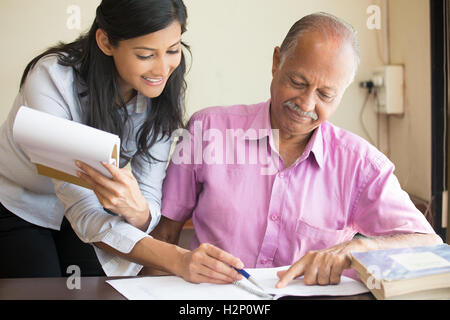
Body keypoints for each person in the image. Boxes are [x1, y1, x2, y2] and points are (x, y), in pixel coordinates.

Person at [152, 12, 443, 287]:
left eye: (325, 95)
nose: (305, 104)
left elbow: (429, 243)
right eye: (297, 82)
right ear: (277, 61)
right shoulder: (207, 130)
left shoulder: (360, 165)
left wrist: (358, 247)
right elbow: (164, 234)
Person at [0, 0, 244, 284]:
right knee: (40, 287)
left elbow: (148, 195)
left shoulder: (163, 88)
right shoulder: (52, 77)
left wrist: (138, 211)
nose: (163, 69)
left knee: (94, 288)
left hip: (88, 207)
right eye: (145, 54)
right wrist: (178, 259)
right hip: (23, 202)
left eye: (173, 50)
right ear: (105, 41)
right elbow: (82, 208)